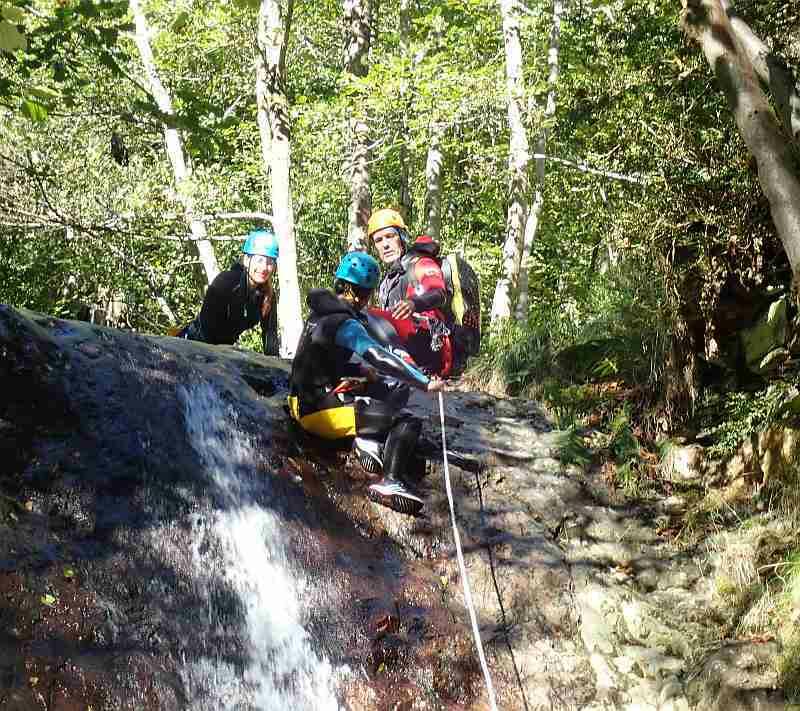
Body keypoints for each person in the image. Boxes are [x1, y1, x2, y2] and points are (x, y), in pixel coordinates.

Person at [287, 251, 445, 515]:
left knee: (379, 385)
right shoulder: (345, 322)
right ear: (363, 293)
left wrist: (360, 370)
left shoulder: (320, 313)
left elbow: (320, 361)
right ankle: (390, 482)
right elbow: (379, 356)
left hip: (299, 402)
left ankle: (366, 439)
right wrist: (424, 382)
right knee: (407, 421)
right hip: (318, 415)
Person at [367, 208, 456, 376]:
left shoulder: (420, 263)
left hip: (432, 346)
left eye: (390, 236)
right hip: (403, 346)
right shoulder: (387, 282)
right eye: (378, 240)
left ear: (402, 237)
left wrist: (413, 303)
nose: (385, 244)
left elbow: (439, 294)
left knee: (367, 316)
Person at [177, 228, 279, 355]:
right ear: (247, 260)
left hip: (223, 351)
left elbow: (270, 337)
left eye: (270, 262)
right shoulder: (226, 282)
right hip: (193, 343)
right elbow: (207, 329)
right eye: (259, 260)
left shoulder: (267, 296)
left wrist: (274, 363)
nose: (264, 268)